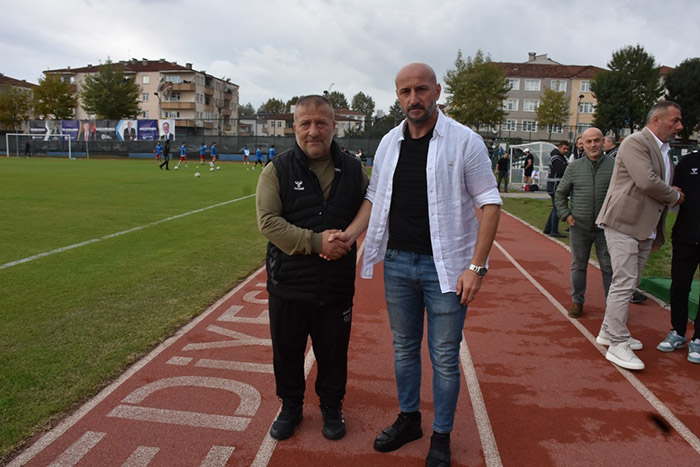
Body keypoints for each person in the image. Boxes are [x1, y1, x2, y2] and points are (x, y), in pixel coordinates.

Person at [333, 63, 501, 467]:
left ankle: (441, 435)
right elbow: (375, 197)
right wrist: (351, 235)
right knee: (404, 348)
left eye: (421, 89)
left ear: (437, 91)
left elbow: (490, 203)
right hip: (397, 263)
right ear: (397, 96)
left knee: (444, 355)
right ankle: (409, 419)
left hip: (446, 267)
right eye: (405, 91)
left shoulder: (465, 141)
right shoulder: (389, 142)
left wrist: (476, 268)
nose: (414, 98)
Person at [255, 95, 368, 442]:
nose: (313, 131)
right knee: (287, 352)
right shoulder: (277, 170)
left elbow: (373, 203)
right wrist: (318, 243)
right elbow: (268, 222)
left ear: (334, 126)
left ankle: (332, 406)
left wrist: (348, 237)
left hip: (335, 285)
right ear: (294, 127)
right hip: (288, 284)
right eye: (305, 123)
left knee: (333, 353)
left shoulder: (354, 170)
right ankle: (290, 407)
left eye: (321, 123)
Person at [595, 101, 685, 371]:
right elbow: (647, 181)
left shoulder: (663, 148)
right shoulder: (636, 142)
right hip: (623, 222)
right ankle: (617, 343)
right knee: (624, 282)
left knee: (629, 281)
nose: (680, 126)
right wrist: (675, 196)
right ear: (657, 120)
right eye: (675, 120)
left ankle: (608, 331)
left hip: (643, 227)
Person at [555, 128, 614, 318]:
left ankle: (613, 306)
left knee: (608, 267)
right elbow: (560, 193)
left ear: (603, 142)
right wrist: (565, 214)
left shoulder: (615, 165)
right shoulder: (574, 167)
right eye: (589, 142)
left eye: (597, 140)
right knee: (578, 266)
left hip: (606, 227)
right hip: (579, 226)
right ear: (583, 145)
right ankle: (577, 301)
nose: (593, 145)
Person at [657, 148, 700, 363]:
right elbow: (673, 194)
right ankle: (678, 332)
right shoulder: (688, 162)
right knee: (680, 287)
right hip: (685, 236)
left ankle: (699, 338)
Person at [543, 141, 569, 238]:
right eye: (564, 149)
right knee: (557, 208)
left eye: (567, 149)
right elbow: (563, 170)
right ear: (559, 148)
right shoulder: (556, 158)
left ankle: (548, 228)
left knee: (555, 208)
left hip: (555, 185)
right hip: (555, 186)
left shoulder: (560, 157)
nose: (566, 151)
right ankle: (553, 230)